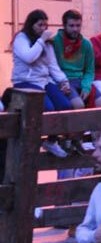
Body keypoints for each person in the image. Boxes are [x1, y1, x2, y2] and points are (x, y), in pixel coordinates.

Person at [12, 9, 76, 157]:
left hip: (44, 81)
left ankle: (52, 141)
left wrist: (63, 81)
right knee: (48, 108)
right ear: (31, 24)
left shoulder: (47, 43)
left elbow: (52, 65)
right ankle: (34, 143)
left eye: (45, 25)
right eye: (40, 25)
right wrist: (41, 40)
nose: (43, 29)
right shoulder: (21, 38)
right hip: (25, 82)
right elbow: (29, 57)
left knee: (65, 105)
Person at [52, 9, 92, 111]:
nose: (75, 29)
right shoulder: (54, 41)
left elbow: (89, 70)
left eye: (78, 26)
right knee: (78, 105)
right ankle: (82, 127)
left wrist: (86, 86)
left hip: (81, 80)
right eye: (71, 26)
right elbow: (51, 67)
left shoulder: (86, 44)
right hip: (64, 81)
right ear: (64, 25)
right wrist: (62, 82)